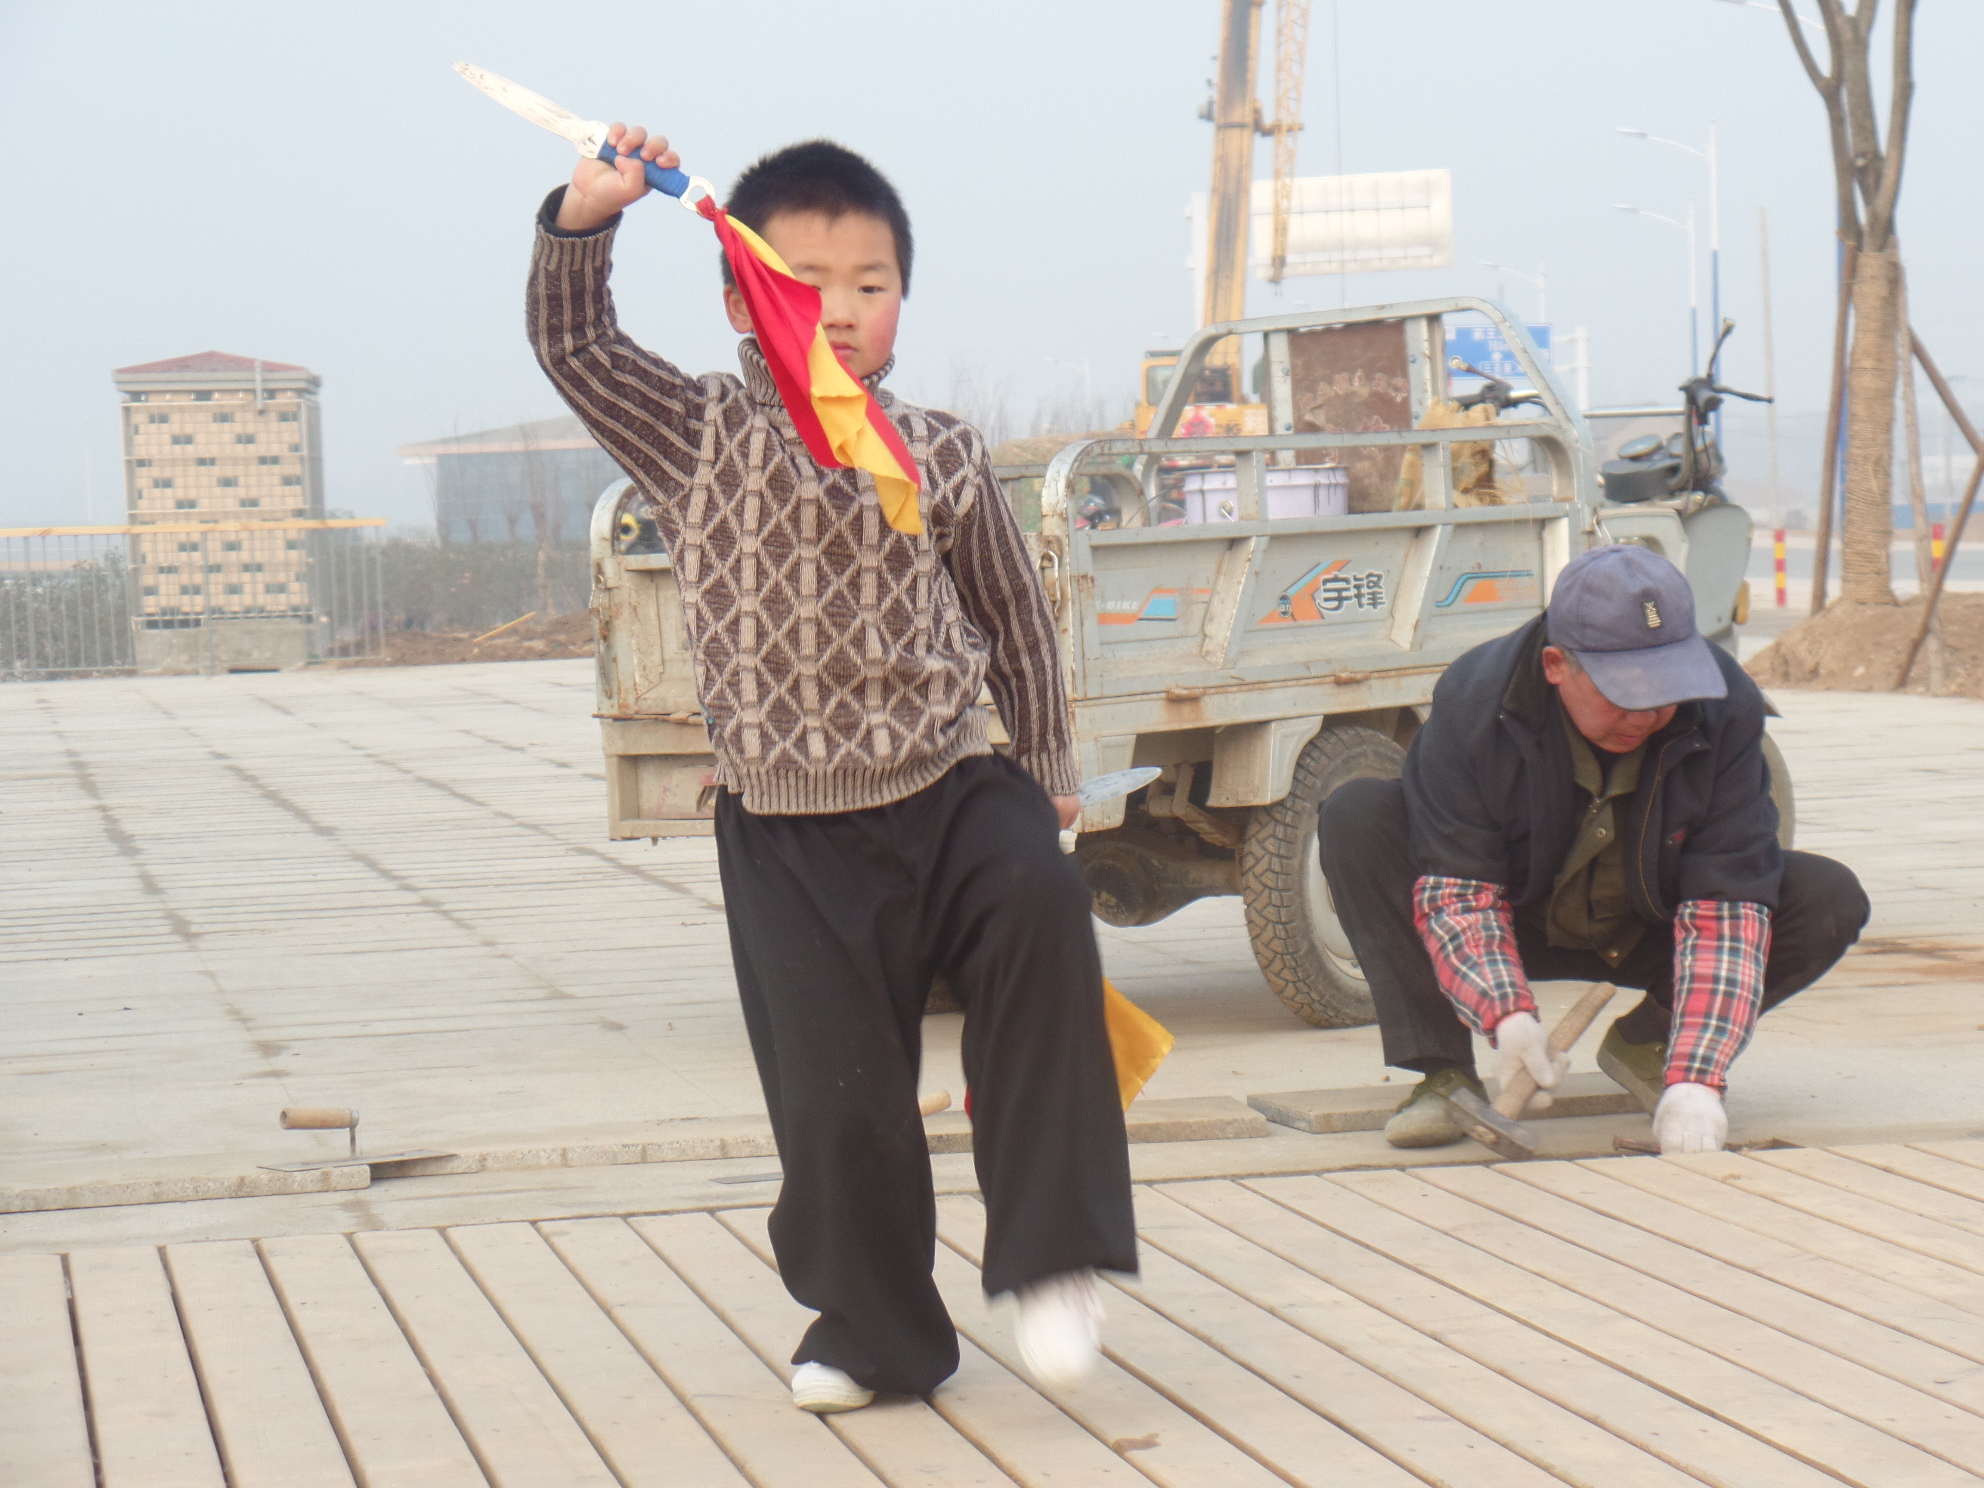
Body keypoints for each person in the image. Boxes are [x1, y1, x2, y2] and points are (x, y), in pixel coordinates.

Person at [528, 127, 1135, 1410]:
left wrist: (1044, 764)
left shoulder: (946, 450)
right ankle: (875, 1335)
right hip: (789, 831)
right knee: (841, 1103)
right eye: (808, 282)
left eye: (872, 282)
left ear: (903, 298)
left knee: (1042, 917)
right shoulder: (697, 436)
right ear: (747, 288)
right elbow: (576, 350)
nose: (844, 310)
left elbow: (1012, 617)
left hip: (951, 792)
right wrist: (587, 218)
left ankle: (1053, 1254)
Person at [1320, 544, 1868, 1154]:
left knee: (1827, 895)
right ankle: (1442, 1074)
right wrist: (1506, 1015)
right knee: (1359, 816)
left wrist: (1698, 1077)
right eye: (1626, 694)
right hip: (1518, 917)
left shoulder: (1724, 706)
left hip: (1652, 926)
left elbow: (1728, 902)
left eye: (1667, 692)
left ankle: (1652, 1041)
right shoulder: (1476, 703)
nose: (1649, 715)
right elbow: (1459, 892)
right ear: (1558, 665)